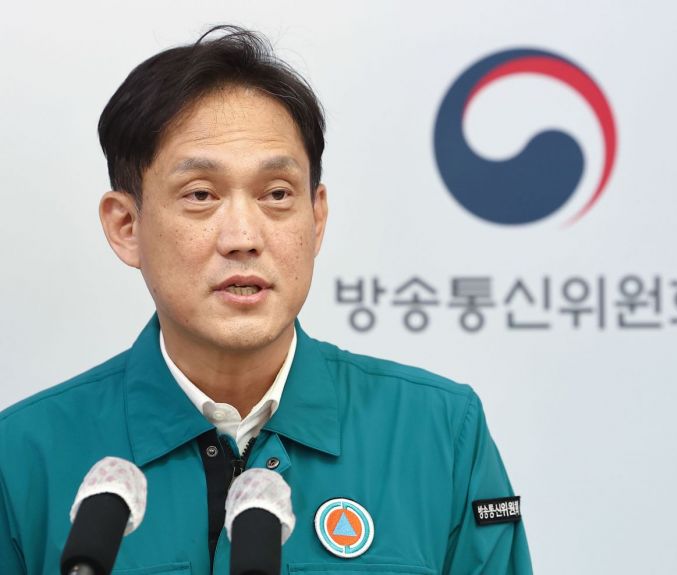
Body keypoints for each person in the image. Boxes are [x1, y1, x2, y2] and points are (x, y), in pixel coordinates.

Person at [0, 26, 532, 574]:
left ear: (316, 217)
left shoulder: (441, 433)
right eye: (201, 195)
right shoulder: (21, 456)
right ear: (126, 226)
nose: (243, 237)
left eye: (276, 194)